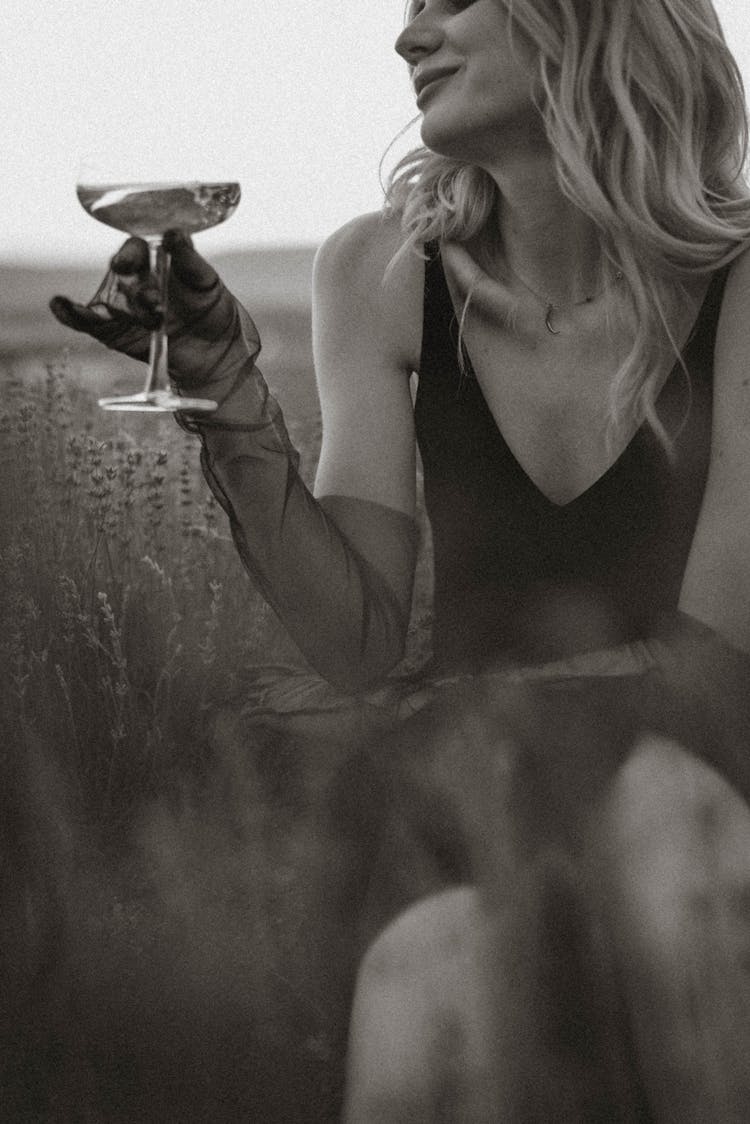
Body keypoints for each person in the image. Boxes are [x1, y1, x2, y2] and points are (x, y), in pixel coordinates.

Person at [51, 0, 750, 1117]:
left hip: (706, 778)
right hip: (467, 800)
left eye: (450, 2)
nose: (407, 36)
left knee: (673, 839)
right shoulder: (378, 273)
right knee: (427, 975)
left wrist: (474, 717)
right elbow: (360, 643)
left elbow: (717, 664)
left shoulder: (739, 277)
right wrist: (228, 397)